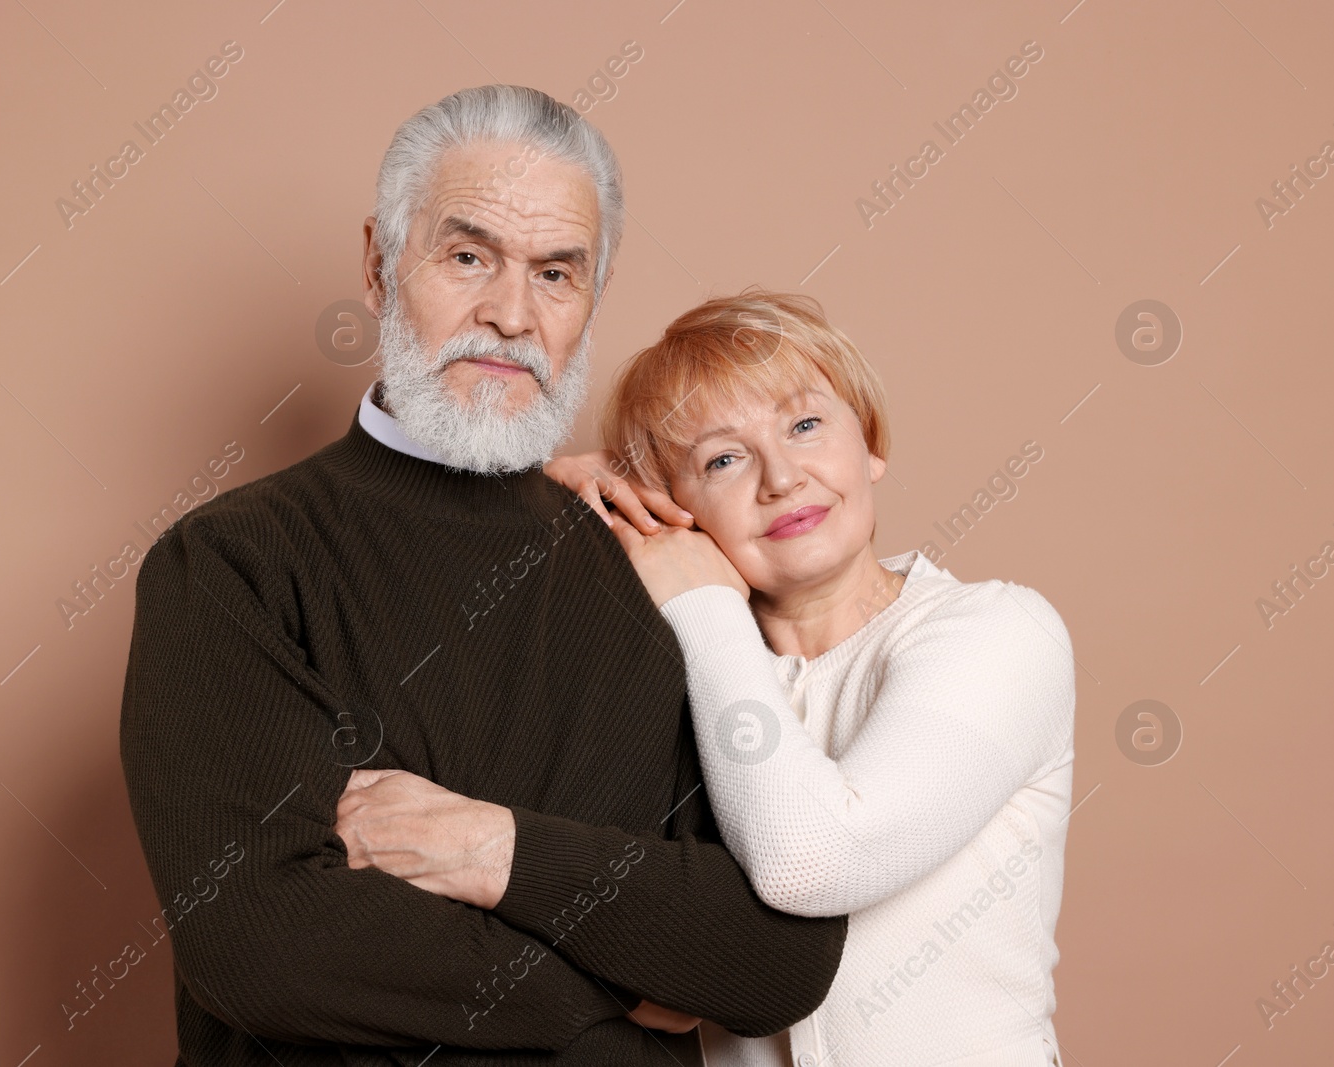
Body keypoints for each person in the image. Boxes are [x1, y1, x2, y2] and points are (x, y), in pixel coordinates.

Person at [118, 87, 845, 1067]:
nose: (509, 314)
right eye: (467, 257)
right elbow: (260, 947)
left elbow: (774, 958)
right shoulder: (231, 563)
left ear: (595, 292)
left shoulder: (662, 566)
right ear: (378, 264)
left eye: (555, 272)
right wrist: (631, 974)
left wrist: (487, 848)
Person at [543, 291, 1077, 1065]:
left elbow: (814, 860)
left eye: (804, 426)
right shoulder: (680, 669)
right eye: (723, 459)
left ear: (870, 445)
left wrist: (699, 595)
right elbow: (635, 965)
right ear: (671, 508)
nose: (782, 478)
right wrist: (538, 500)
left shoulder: (998, 632)